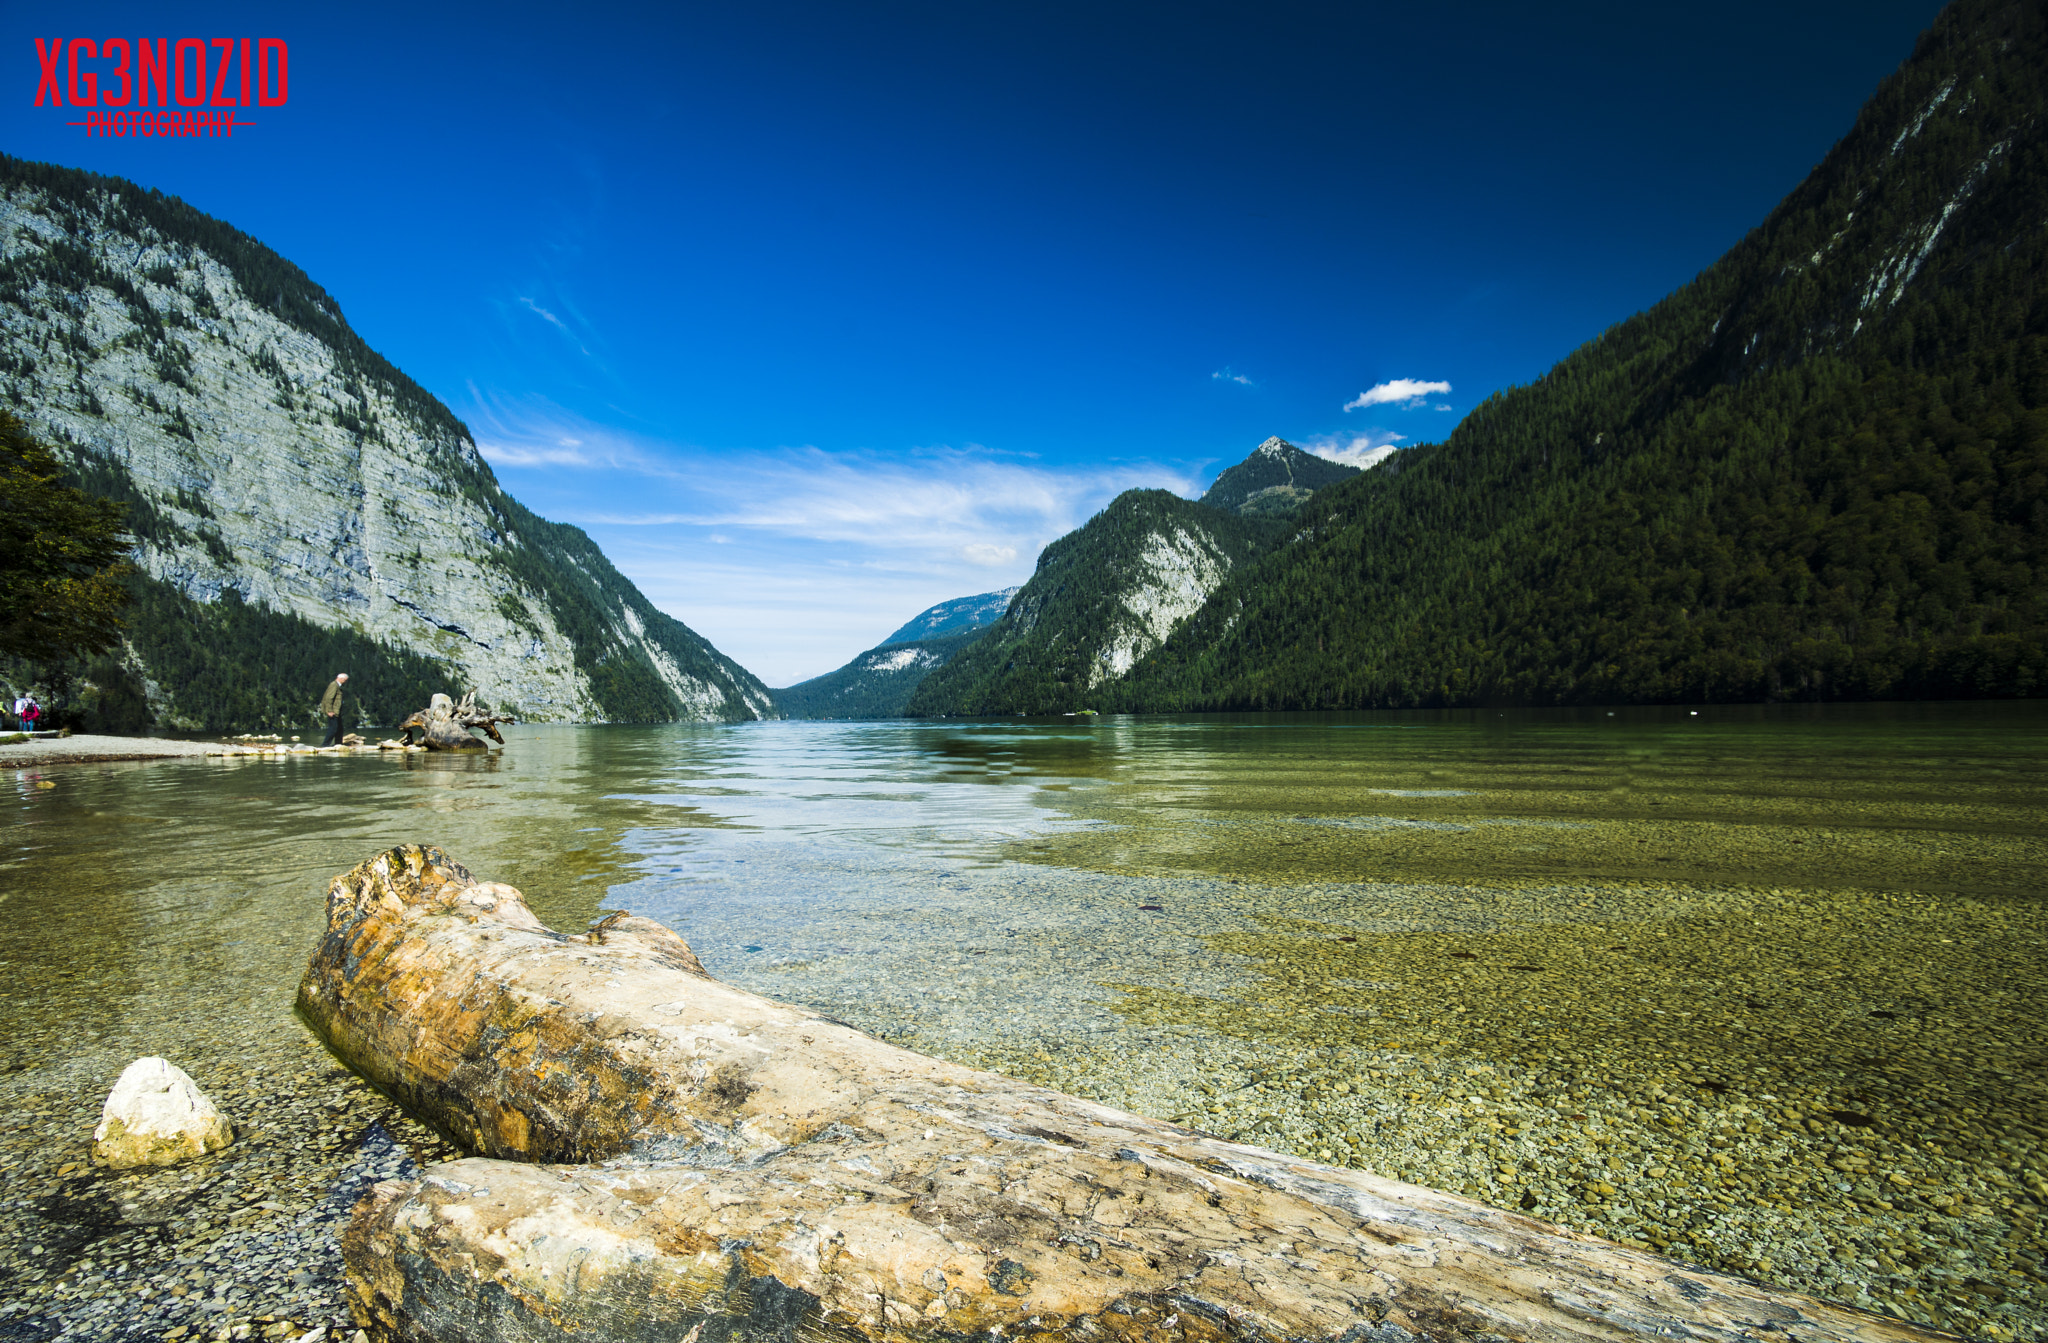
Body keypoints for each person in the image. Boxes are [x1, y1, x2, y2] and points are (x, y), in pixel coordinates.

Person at [320, 673, 349, 746]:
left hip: (337, 711)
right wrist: (329, 711)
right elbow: (329, 698)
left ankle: (338, 744)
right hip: (333, 711)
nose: (345, 682)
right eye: (345, 680)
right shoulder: (334, 685)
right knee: (333, 729)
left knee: (339, 729)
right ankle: (325, 744)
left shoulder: (338, 686)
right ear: (341, 679)